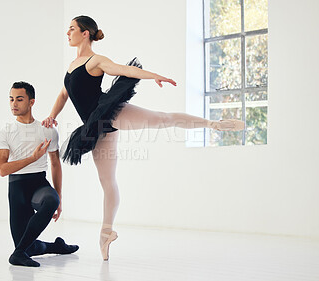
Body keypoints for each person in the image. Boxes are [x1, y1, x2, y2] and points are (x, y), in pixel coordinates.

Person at [41, 15, 245, 261]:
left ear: (85, 33)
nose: (68, 32)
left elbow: (126, 70)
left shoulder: (96, 61)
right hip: (94, 128)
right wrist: (52, 115)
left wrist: (154, 75)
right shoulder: (71, 67)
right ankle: (105, 233)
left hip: (109, 113)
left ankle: (215, 124)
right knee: (107, 182)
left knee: (162, 119)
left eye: (72, 29)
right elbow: (64, 95)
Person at [0, 81, 79, 267]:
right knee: (27, 246)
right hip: (17, 188)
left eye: (19, 99)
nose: (13, 104)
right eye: (11, 99)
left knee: (51, 200)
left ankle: (17, 255)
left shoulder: (46, 129)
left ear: (31, 102)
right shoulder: (5, 131)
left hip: (38, 184)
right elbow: (2, 169)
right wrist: (32, 158)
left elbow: (55, 164)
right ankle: (56, 246)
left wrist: (59, 196)